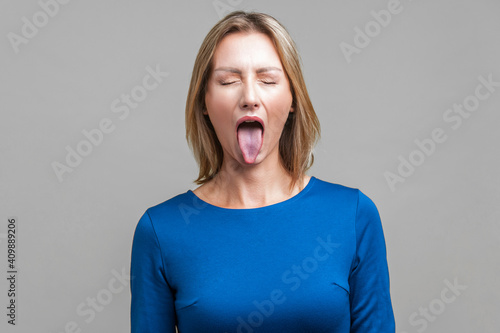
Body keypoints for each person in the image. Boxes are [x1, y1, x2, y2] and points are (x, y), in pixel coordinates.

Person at [130, 11, 395, 332]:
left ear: (293, 98)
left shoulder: (353, 216)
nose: (250, 97)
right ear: (204, 102)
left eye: (268, 80)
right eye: (229, 81)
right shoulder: (160, 230)